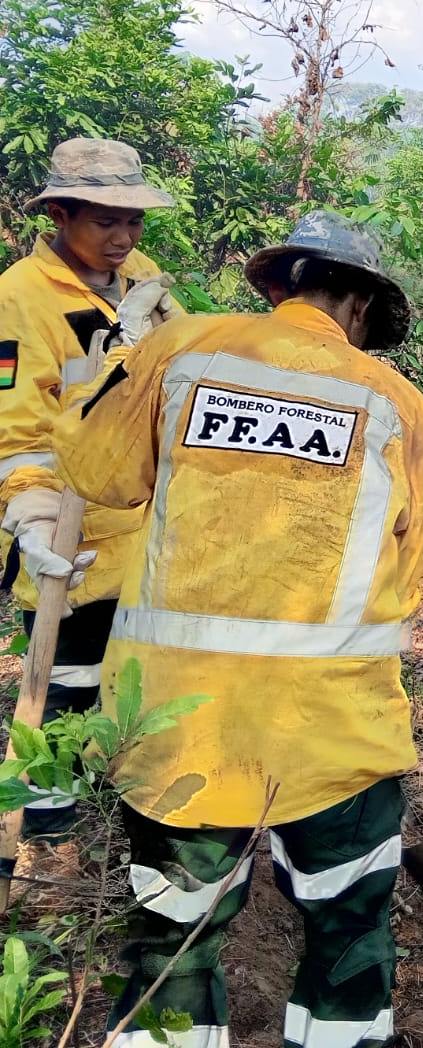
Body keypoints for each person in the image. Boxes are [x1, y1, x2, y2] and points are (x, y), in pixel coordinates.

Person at [53, 211, 423, 1048]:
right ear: (363, 307)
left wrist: (116, 364)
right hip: (336, 736)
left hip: (182, 728)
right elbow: (405, 584)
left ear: (275, 286)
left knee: (171, 948)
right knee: (348, 939)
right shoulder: (397, 401)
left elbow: (96, 474)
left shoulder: (185, 351)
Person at [0, 138, 181, 859]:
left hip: (141, 530)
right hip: (66, 535)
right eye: (105, 220)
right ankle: (47, 840)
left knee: (129, 680)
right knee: (62, 683)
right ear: (61, 213)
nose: (122, 237)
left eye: (133, 221)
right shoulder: (19, 297)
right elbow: (17, 429)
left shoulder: (140, 279)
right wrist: (33, 518)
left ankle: (116, 817)